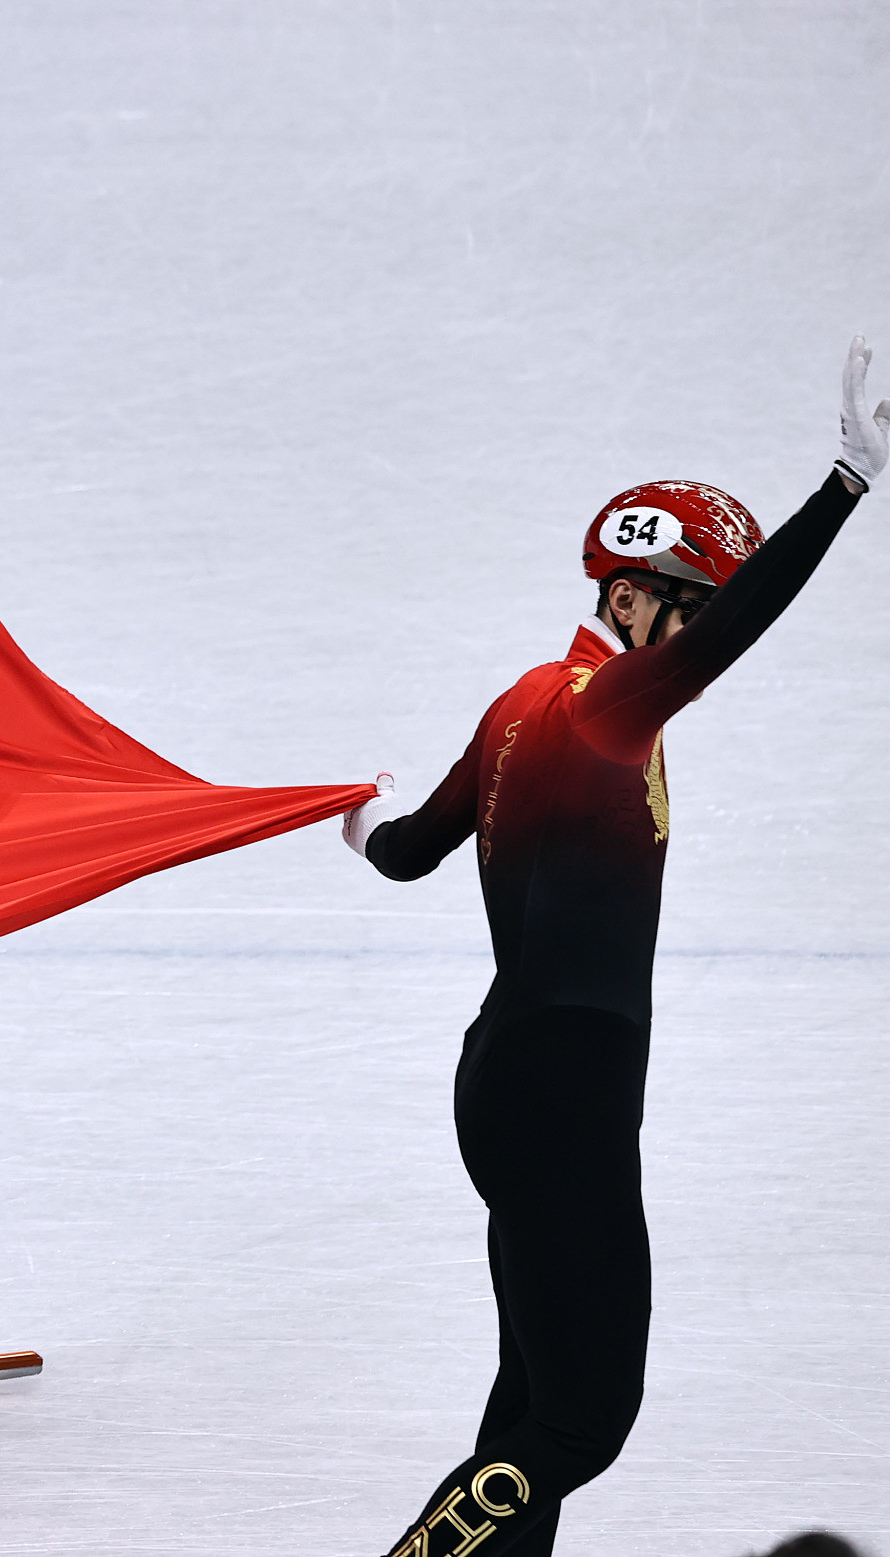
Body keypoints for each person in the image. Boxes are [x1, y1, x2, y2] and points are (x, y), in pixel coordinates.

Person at [342, 338, 887, 1556]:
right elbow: (734, 634)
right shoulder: (603, 709)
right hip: (564, 1092)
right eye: (687, 611)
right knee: (583, 1419)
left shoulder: (520, 700)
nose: (694, 645)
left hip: (509, 1077)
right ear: (631, 597)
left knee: (529, 1397)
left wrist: (357, 816)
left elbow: (408, 851)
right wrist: (844, 487)